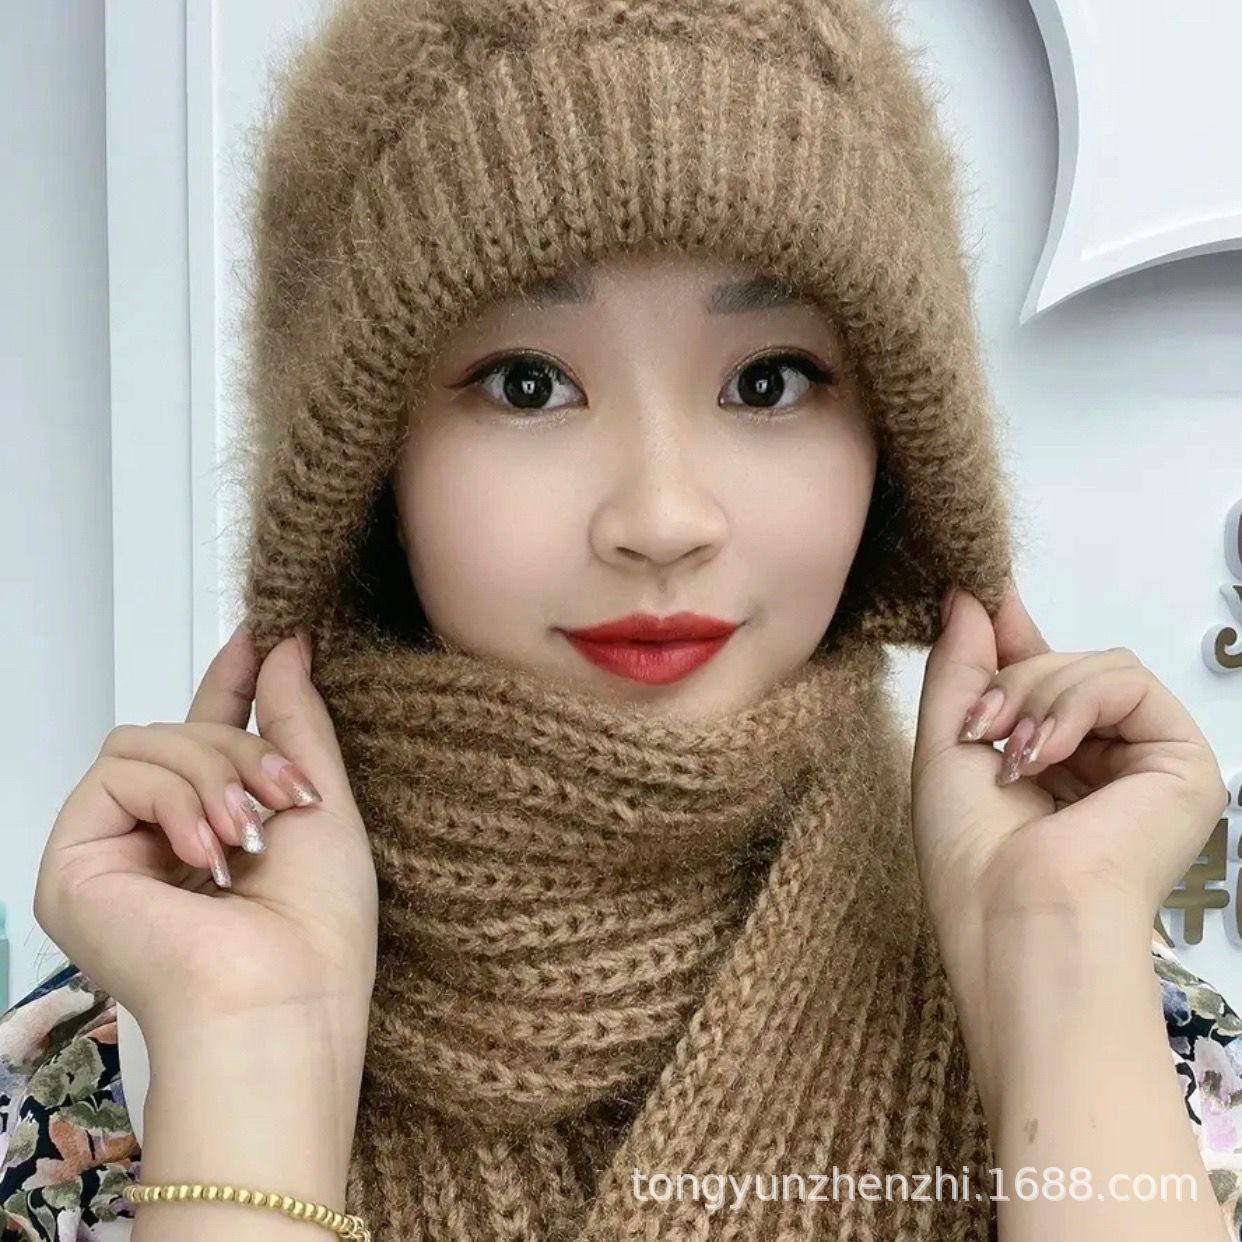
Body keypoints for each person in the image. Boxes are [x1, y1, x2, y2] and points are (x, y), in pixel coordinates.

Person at [2, 1, 1241, 1239]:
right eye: (527, 383)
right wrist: (249, 1064)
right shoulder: (110, 1067)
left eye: (768, 381)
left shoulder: (1130, 1034)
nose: (661, 518)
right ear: (365, 465)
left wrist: (1061, 977)